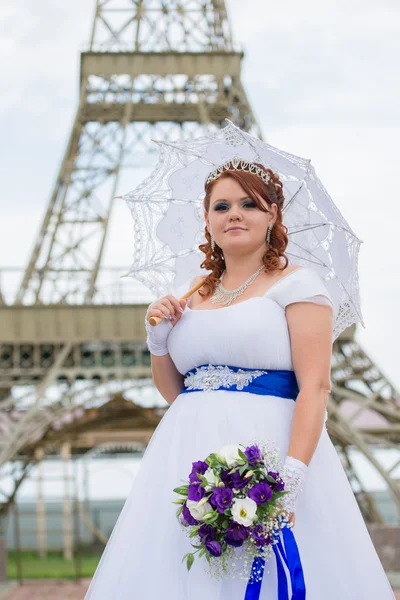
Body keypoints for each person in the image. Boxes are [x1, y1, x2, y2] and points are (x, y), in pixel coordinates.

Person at [85, 160, 395, 599]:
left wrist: (290, 480)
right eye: (221, 206)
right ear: (207, 220)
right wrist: (159, 339)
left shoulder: (299, 285)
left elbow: (316, 387)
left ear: (272, 215)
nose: (234, 213)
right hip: (185, 451)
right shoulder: (190, 292)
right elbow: (178, 392)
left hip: (269, 450)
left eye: (249, 203)